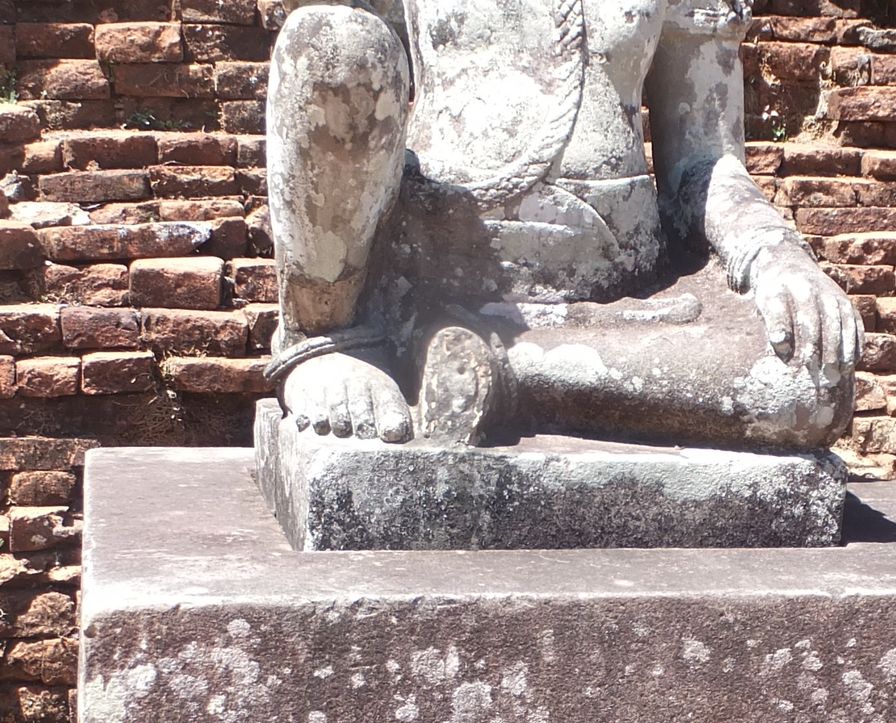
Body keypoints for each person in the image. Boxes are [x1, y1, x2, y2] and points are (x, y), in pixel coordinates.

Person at [264, 0, 862, 450]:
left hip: (624, 300)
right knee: (333, 43)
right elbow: (332, 81)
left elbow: (703, 160)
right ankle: (324, 340)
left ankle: (502, 373)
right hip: (430, 262)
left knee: (809, 383)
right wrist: (328, 319)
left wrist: (774, 253)